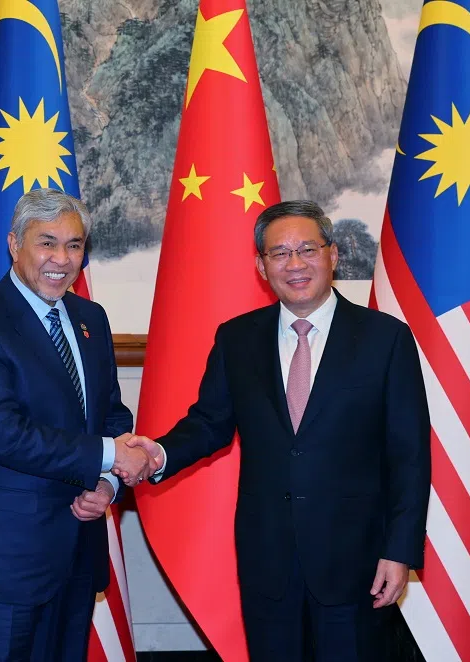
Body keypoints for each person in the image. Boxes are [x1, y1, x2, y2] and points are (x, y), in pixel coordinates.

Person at [127, 200, 431, 661]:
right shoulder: (237, 338)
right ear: (261, 266)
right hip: (268, 559)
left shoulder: (385, 338)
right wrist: (159, 454)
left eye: (307, 249)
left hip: (357, 561)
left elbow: (409, 455)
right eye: (280, 253)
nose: (295, 264)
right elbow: (209, 423)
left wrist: (400, 550)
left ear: (333, 254)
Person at [0, 188, 158, 661]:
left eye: (74, 245)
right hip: (3, 558)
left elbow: (111, 414)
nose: (62, 259)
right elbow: (4, 434)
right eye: (47, 243)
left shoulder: (91, 318)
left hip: (77, 549)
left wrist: (109, 484)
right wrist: (112, 455)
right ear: (15, 244)